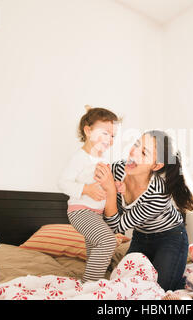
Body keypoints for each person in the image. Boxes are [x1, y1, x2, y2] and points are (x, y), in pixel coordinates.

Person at [94, 130, 193, 291]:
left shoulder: (158, 193)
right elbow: (109, 217)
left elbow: (117, 226)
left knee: (156, 290)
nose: (133, 152)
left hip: (170, 238)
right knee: (123, 287)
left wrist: (110, 188)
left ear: (156, 165)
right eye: (137, 144)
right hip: (140, 237)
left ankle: (186, 281)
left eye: (143, 152)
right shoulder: (117, 170)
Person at [57, 105, 121, 283]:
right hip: (81, 212)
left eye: (113, 135)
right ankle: (88, 287)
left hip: (96, 214)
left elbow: (101, 182)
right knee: (107, 241)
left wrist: (116, 185)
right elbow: (63, 182)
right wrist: (86, 189)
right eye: (105, 133)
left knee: (95, 250)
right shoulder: (80, 157)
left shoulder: (101, 159)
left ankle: (93, 281)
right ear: (88, 131)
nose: (110, 139)